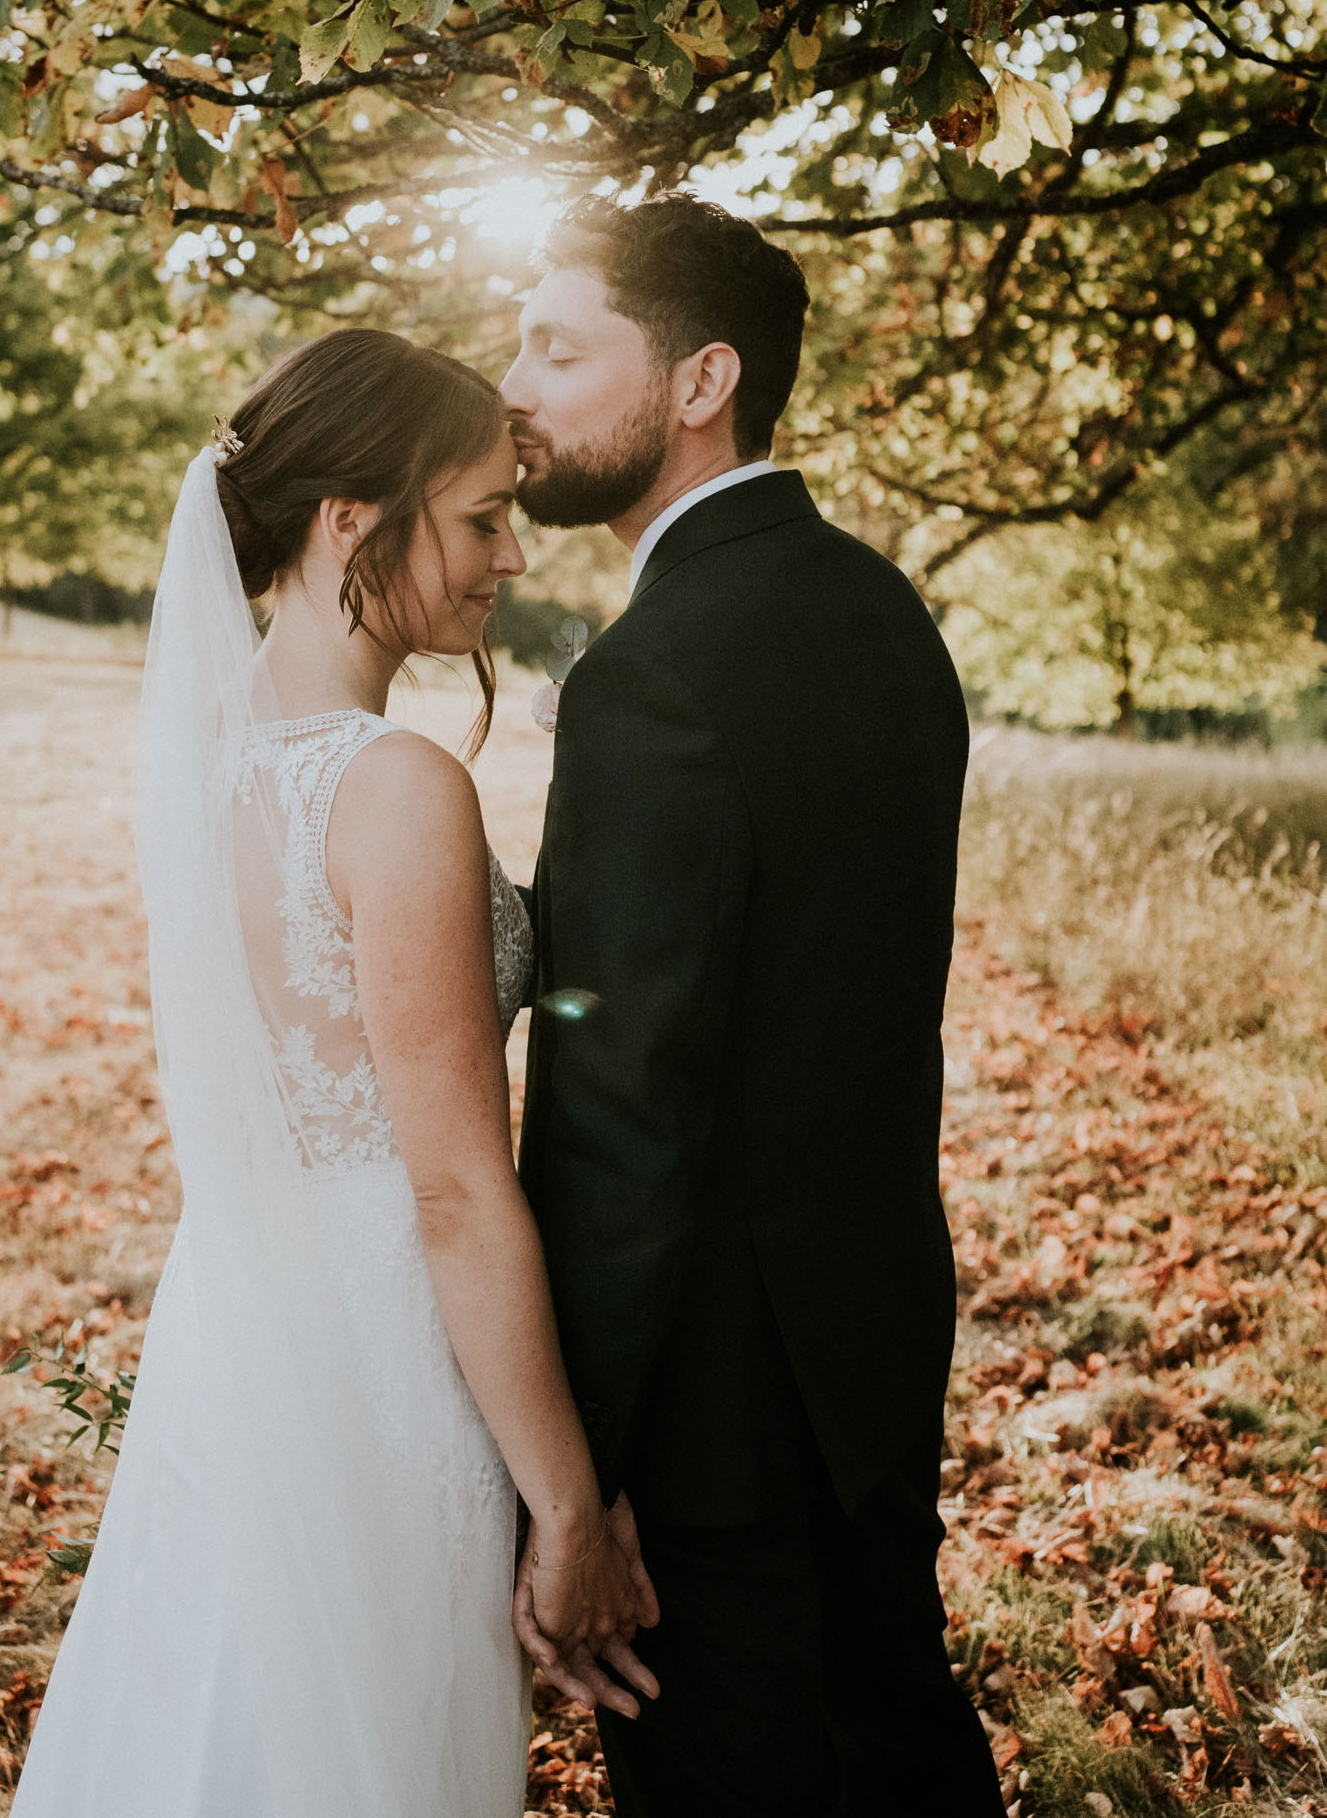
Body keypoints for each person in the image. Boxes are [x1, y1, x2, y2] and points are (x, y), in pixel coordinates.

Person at [11, 329, 656, 1818]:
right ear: (350, 519)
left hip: (236, 1333)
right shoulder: (390, 786)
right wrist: (566, 1506)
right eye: (483, 517)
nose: (512, 557)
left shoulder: (214, 759)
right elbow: (449, 1188)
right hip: (382, 1362)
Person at [503, 195, 1006, 1818]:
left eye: (560, 348)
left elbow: (622, 1104)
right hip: (869, 1335)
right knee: (895, 1739)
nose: (514, 386)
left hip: (711, 1408)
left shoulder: (652, 671)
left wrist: (579, 1474)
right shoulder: (883, 616)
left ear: (703, 377)